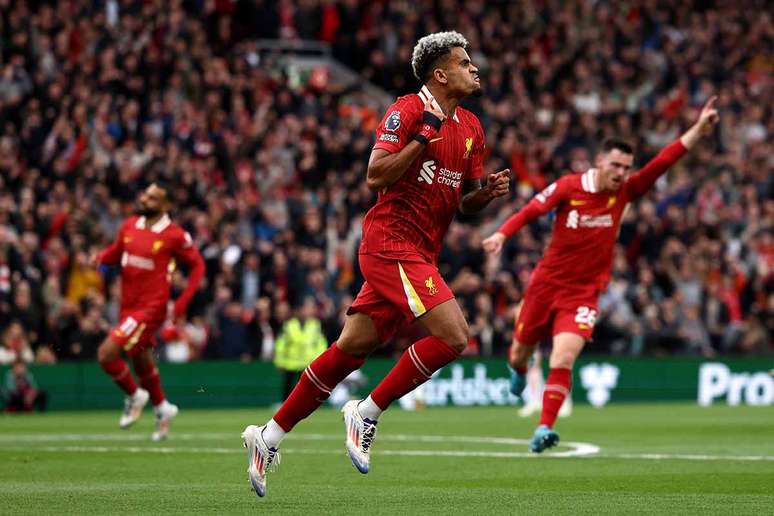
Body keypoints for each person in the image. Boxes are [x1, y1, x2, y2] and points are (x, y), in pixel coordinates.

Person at [242, 31, 510, 498]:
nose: (475, 69)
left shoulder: (471, 127)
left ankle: (267, 437)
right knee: (454, 336)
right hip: (390, 243)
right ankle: (365, 412)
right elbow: (375, 174)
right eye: (465, 63)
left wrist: (483, 195)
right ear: (440, 74)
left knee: (350, 350)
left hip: (422, 252)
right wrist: (423, 138)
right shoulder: (406, 111)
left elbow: (464, 203)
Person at [483, 98, 720, 452]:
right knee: (520, 354)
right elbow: (532, 209)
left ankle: (543, 429)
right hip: (545, 286)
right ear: (599, 161)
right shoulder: (569, 187)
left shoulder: (626, 191)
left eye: (626, 167)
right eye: (615, 165)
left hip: (583, 294)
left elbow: (664, 160)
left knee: (562, 358)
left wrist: (699, 130)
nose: (621, 173)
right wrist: (502, 233)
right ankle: (517, 374)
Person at [93, 183, 205, 441]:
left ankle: (134, 395)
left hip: (151, 307)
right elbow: (115, 253)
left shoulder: (174, 234)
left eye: (153, 197)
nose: (145, 199)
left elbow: (197, 264)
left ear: (165, 206)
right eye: (144, 194)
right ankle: (163, 408)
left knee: (106, 354)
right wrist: (100, 257)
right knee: (140, 355)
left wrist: (183, 301)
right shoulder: (130, 225)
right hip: (128, 306)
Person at [273, 297, 328, 401]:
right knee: (288, 387)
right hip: (290, 363)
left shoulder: (315, 324)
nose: (306, 311)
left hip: (308, 362)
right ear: (298, 310)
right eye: (304, 309)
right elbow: (281, 344)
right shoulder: (289, 324)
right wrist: (279, 362)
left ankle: (304, 406)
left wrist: (319, 360)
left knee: (306, 388)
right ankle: (284, 405)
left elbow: (321, 343)